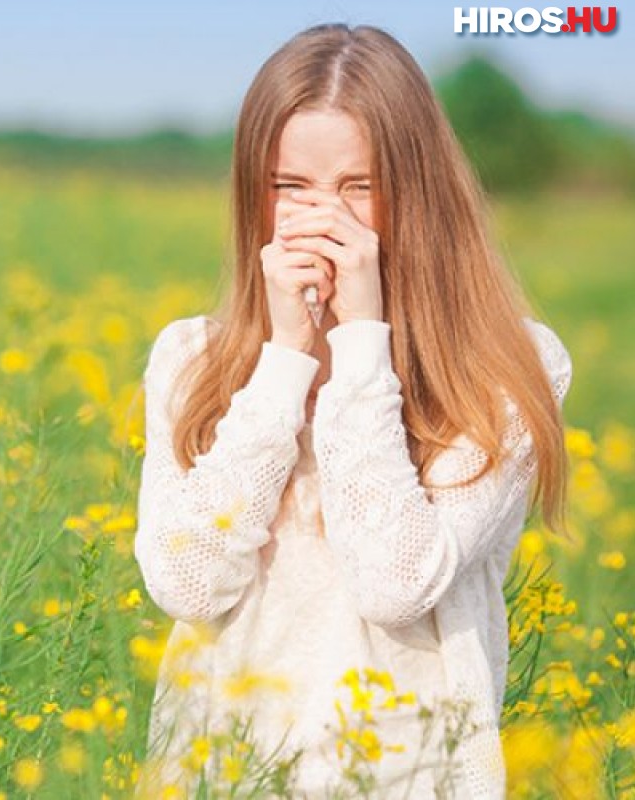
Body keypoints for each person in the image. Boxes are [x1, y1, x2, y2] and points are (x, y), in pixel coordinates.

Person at [131, 22, 573, 800]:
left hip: (410, 776)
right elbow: (188, 586)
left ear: (418, 190)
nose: (321, 220)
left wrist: (363, 347)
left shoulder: (509, 366)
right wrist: (284, 362)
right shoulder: (193, 358)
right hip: (221, 771)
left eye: (358, 188)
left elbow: (395, 584)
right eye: (290, 188)